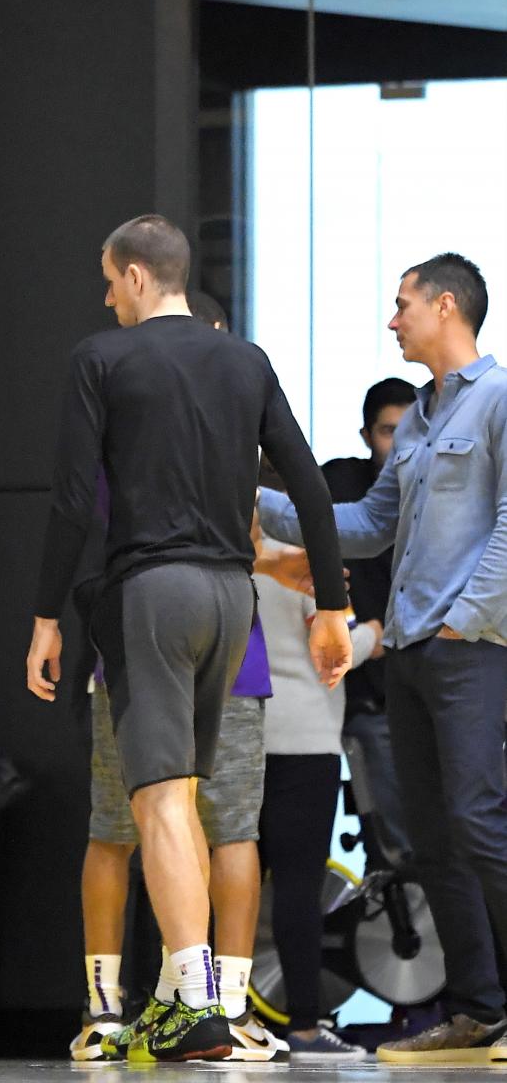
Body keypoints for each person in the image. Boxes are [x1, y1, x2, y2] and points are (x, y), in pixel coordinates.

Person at [27, 214, 349, 1063]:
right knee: (198, 804)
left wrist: (43, 614)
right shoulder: (245, 361)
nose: (104, 297)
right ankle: (189, 998)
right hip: (229, 597)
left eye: (107, 280)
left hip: (151, 594)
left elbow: (69, 501)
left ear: (136, 277)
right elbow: (311, 488)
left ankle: (194, 1001)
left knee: (157, 801)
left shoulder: (101, 357)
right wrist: (332, 607)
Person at [258, 254, 507, 1065]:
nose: (391, 319)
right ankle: (478, 1012)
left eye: (401, 305)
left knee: (475, 822)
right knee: (429, 841)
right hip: (406, 655)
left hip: (465, 652)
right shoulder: (423, 418)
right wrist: (246, 496)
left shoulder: (498, 399)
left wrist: (463, 621)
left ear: (444, 306)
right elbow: (365, 526)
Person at [72, 290, 297, 1065]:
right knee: (122, 825)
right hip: (147, 642)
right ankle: (115, 1005)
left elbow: (267, 531)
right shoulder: (128, 426)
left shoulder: (231, 433)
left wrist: (305, 572)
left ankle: (214, 1003)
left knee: (226, 827)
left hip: (221, 650)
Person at [255, 496, 381, 1061]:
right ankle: (304, 1028)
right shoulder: (309, 560)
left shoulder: (222, 558)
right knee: (299, 886)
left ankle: (224, 1019)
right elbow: (338, 648)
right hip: (306, 738)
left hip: (236, 735)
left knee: (225, 881)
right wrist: (379, 632)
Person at [322, 379, 417, 864]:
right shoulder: (340, 483)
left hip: (430, 675)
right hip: (363, 688)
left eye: (409, 430)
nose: (399, 444)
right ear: (366, 435)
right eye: (387, 431)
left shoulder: (441, 495)